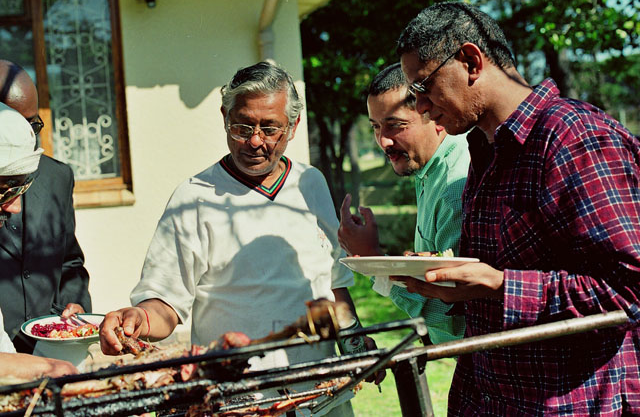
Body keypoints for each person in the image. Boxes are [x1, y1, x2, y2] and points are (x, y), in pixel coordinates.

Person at [396, 1, 640, 415]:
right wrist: (452, 278)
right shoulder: (485, 151)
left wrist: (499, 285)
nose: (419, 107)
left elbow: (628, 289)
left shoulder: (574, 138)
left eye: (422, 88)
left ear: (471, 61)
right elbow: (500, 272)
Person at [100, 61, 381, 416]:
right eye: (242, 125)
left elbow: (334, 284)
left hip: (321, 396)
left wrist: (355, 345)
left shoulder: (312, 183)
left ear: (293, 126)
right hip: (237, 402)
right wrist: (138, 317)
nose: (255, 141)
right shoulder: (193, 198)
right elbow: (166, 303)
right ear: (224, 117)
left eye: (270, 128)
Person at [338, 63, 468, 345]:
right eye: (375, 127)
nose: (382, 141)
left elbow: (455, 322)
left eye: (395, 125)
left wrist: (374, 262)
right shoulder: (428, 168)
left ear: (436, 115)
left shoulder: (454, 185)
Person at [0, 60, 91, 354]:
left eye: (33, 125)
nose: (27, 136)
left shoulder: (57, 176)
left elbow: (69, 261)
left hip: (49, 347)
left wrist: (73, 304)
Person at [0, 102, 77, 379]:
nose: (15, 207)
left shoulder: (58, 176)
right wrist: (47, 369)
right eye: (6, 190)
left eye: (22, 188)